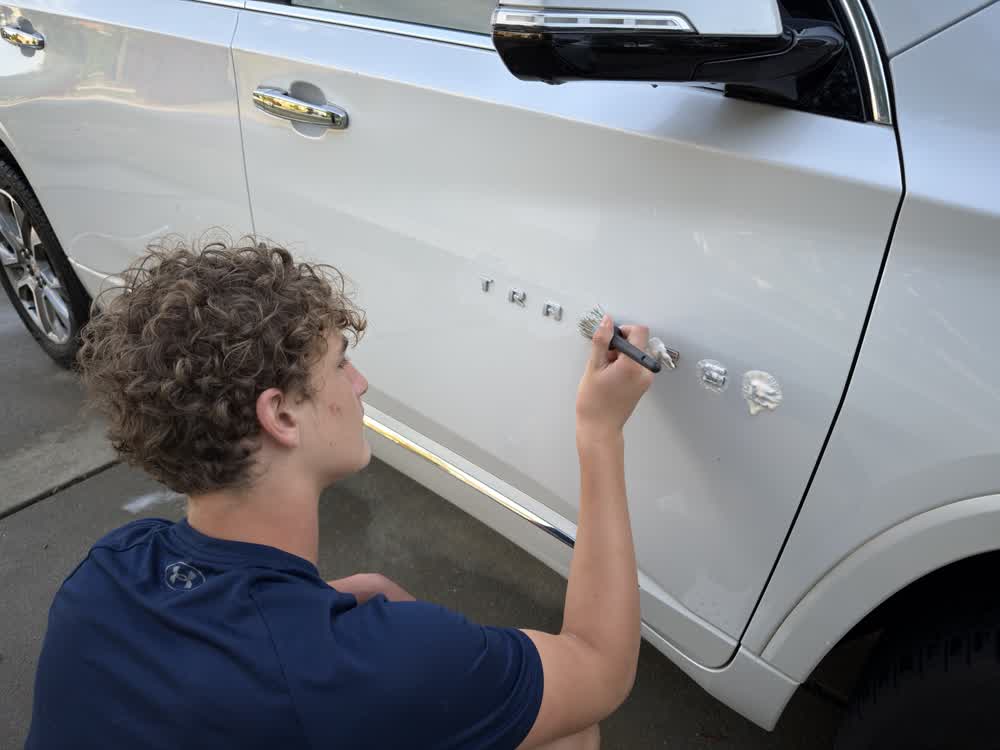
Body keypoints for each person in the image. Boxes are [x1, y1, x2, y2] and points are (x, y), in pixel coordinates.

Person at [25, 239, 653, 750]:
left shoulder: (111, 568)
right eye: (339, 364)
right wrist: (600, 434)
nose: (360, 383)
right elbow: (598, 665)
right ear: (282, 417)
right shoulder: (370, 665)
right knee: (568, 732)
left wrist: (349, 602)